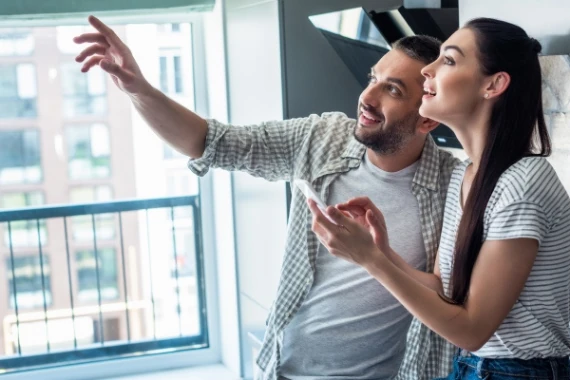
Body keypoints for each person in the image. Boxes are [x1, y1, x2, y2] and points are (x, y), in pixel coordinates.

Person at [74, 16, 460, 380]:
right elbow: (210, 142)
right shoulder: (322, 137)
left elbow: (448, 300)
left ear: (427, 119)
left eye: (392, 90)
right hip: (282, 368)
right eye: (373, 79)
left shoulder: (452, 186)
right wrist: (138, 88)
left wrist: (373, 257)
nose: (367, 97)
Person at [309, 18, 570, 379]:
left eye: (448, 60)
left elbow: (473, 329)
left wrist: (372, 261)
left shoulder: (524, 183)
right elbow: (444, 289)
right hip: (476, 368)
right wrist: (381, 251)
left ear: (494, 85)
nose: (428, 70)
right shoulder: (467, 174)